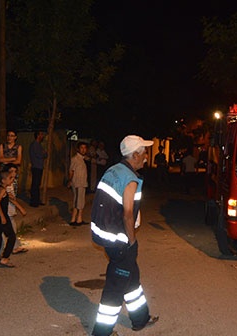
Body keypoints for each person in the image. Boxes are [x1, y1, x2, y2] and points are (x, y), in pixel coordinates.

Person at [90, 135, 158, 336]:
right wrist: (132, 240)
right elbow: (128, 213)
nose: (146, 156)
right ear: (135, 154)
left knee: (132, 278)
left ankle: (140, 318)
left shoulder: (113, 170)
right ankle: (102, 332)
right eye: (144, 152)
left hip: (105, 234)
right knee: (115, 287)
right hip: (119, 240)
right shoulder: (130, 179)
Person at [68, 142, 88, 226]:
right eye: (81, 148)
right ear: (78, 149)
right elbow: (71, 171)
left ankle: (79, 219)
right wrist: (69, 181)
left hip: (82, 183)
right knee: (77, 201)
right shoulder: (75, 159)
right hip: (77, 183)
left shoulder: (83, 159)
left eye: (85, 148)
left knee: (81, 201)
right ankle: (73, 220)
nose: (83, 150)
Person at [29, 131, 48, 207]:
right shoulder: (35, 145)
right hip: (36, 166)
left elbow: (44, 154)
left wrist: (44, 153)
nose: (42, 136)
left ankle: (36, 200)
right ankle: (34, 201)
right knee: (35, 184)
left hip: (39, 166)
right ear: (38, 136)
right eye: (41, 134)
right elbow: (40, 155)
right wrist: (44, 153)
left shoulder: (38, 145)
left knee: (37, 184)